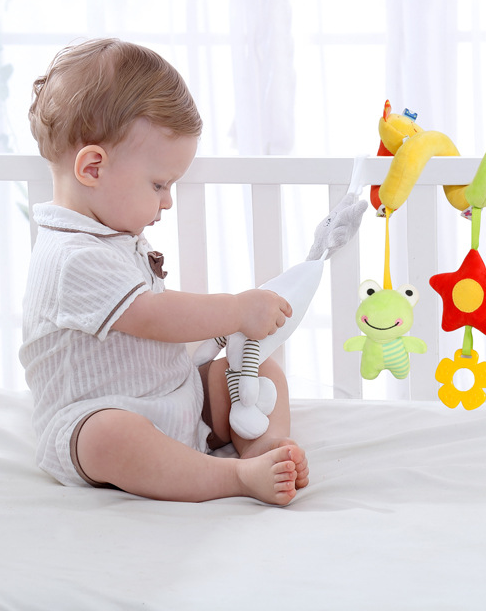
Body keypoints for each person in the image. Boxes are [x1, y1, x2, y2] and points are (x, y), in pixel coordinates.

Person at [20, 38, 309, 505]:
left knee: (258, 370)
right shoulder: (71, 256)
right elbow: (152, 316)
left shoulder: (114, 236)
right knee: (109, 436)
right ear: (92, 168)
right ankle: (236, 477)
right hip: (101, 416)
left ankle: (265, 446)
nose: (168, 201)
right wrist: (236, 310)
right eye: (159, 184)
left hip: (175, 401)